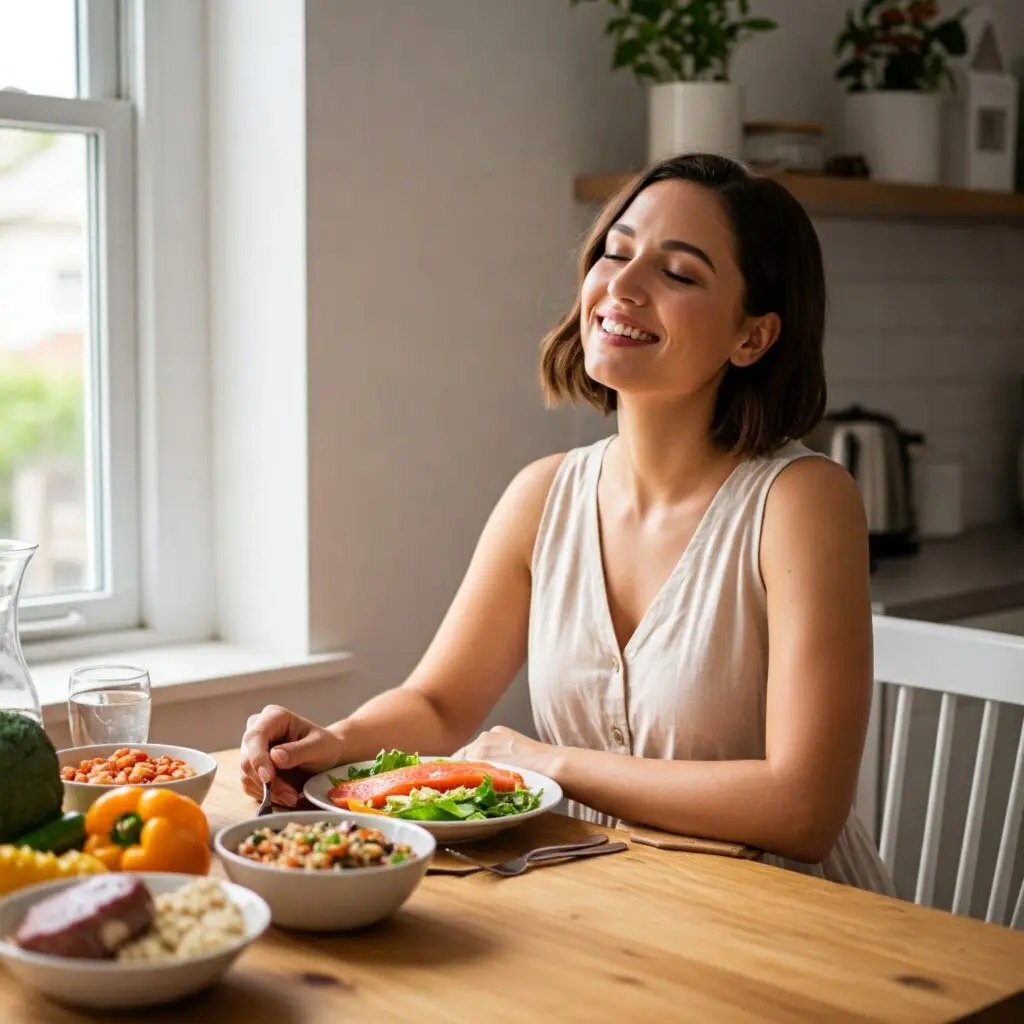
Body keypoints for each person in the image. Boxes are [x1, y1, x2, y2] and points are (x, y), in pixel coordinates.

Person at [239, 153, 894, 895]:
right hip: (607, 899)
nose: (621, 285)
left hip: (796, 924)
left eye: (678, 273)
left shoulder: (802, 502)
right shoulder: (544, 495)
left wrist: (549, 762)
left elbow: (803, 808)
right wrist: (334, 743)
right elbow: (439, 703)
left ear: (753, 337)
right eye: (615, 252)